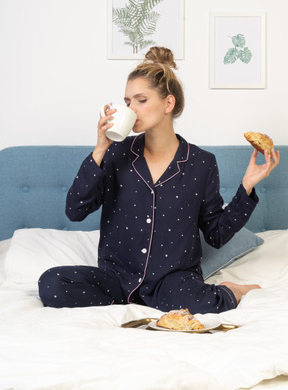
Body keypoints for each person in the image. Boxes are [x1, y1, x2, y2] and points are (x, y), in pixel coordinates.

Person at [38, 47, 280, 313]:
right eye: (127, 102)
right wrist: (99, 150)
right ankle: (134, 301)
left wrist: (247, 187)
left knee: (197, 300)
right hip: (118, 279)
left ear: (168, 103)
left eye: (141, 100)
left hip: (173, 280)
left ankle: (233, 290)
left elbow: (217, 234)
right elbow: (75, 211)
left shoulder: (201, 163)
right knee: (51, 284)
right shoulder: (115, 153)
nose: (131, 109)